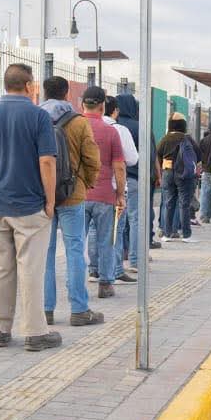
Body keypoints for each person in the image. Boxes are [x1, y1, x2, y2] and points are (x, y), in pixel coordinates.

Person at [0, 64, 60, 351]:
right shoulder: (39, 117)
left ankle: (0, 328)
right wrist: (50, 200)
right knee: (31, 269)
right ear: (29, 85)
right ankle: (35, 333)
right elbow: (46, 161)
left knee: (0, 269)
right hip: (30, 206)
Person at [41, 76, 104, 326]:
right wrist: (85, 183)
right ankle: (79, 310)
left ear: (45, 94)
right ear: (68, 95)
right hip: (72, 193)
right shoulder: (79, 122)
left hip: (42, 194)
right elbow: (92, 159)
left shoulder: (36, 118)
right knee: (75, 250)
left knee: (45, 253)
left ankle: (46, 310)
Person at [81, 87, 126, 299]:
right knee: (106, 239)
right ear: (103, 106)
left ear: (83, 105)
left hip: (77, 196)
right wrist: (120, 195)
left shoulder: (73, 128)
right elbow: (119, 166)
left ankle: (78, 282)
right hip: (105, 194)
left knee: (75, 242)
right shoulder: (111, 131)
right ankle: (106, 284)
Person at [104, 95, 140, 280]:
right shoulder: (121, 129)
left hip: (89, 188)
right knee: (118, 228)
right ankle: (117, 269)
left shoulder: (84, 125)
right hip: (117, 184)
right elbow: (130, 160)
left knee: (94, 231)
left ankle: (96, 269)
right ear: (114, 110)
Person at [157, 113, 197, 242]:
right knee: (184, 204)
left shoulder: (166, 138)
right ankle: (186, 235)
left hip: (167, 172)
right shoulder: (186, 138)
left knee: (169, 203)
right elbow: (198, 154)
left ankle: (166, 234)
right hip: (183, 173)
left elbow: (157, 154)